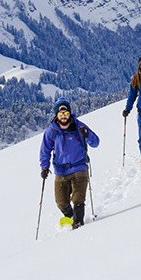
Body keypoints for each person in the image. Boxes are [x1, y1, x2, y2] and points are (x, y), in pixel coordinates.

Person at [40, 96, 100, 229]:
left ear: (70, 113)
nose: (63, 116)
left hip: (80, 168)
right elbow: (45, 150)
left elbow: (96, 142)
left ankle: (78, 225)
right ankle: (71, 217)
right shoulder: (52, 131)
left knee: (78, 199)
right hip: (61, 170)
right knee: (61, 202)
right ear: (56, 115)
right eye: (61, 113)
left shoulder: (79, 127)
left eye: (66, 113)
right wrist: (44, 167)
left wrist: (87, 135)